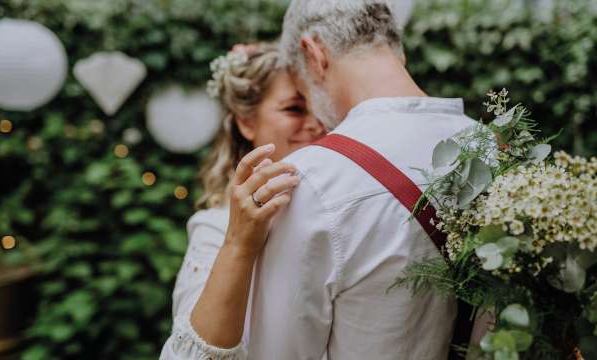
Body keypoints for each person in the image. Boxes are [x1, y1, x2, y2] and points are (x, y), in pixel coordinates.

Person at [245, 1, 477, 359]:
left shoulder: (310, 180)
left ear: (314, 54)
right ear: (394, 47)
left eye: (303, 91)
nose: (317, 121)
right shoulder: (495, 149)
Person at [159, 43, 325, 359]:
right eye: (294, 109)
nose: (316, 124)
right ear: (246, 121)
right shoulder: (216, 227)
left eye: (321, 108)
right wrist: (239, 245)